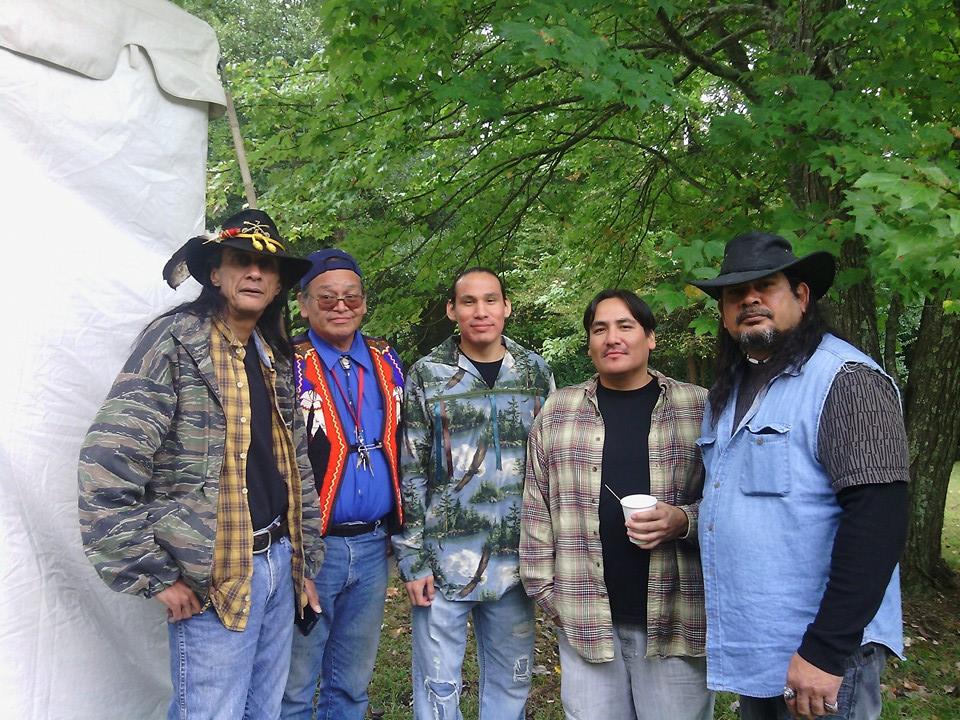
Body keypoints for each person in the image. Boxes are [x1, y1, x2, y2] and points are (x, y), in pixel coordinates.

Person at [78, 209, 325, 719]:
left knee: (265, 711)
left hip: (279, 564)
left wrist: (301, 563)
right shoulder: (174, 343)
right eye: (241, 261)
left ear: (279, 284)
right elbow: (107, 462)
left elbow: (294, 464)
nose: (254, 273)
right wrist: (152, 573)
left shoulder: (274, 356)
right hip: (215, 576)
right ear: (216, 273)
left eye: (266, 266)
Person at [690, 231, 908, 720]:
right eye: (734, 293)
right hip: (758, 645)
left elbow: (879, 522)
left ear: (802, 295)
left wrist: (826, 651)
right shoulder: (728, 394)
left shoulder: (848, 381)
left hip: (821, 657)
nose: (749, 299)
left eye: (765, 286)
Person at [520, 289, 714, 720]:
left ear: (651, 338)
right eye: (599, 329)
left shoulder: (698, 408)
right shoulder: (559, 410)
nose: (612, 338)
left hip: (676, 618)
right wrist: (548, 592)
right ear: (589, 343)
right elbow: (536, 506)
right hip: (586, 617)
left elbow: (729, 502)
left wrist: (684, 520)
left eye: (625, 326)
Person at [392, 267, 555, 719]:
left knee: (512, 684)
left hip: (517, 561)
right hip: (444, 562)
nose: (480, 311)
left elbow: (550, 467)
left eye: (490, 300)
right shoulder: (427, 374)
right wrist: (412, 559)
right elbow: (410, 471)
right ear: (452, 310)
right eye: (468, 302)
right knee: (438, 688)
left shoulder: (534, 372)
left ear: (506, 307)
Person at [281, 248, 404, 720]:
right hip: (313, 547)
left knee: (351, 684)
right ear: (304, 304)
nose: (340, 306)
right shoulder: (286, 363)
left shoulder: (386, 359)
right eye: (327, 297)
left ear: (364, 302)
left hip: (374, 545)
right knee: (295, 684)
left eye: (350, 296)